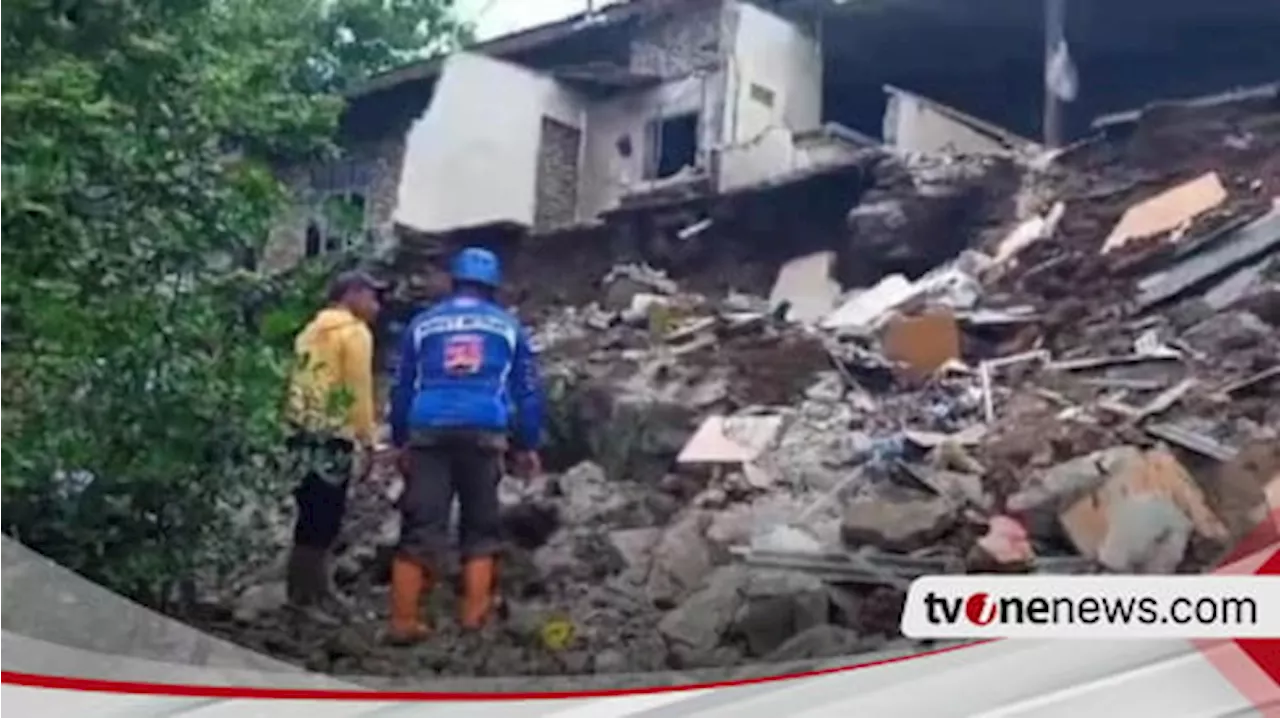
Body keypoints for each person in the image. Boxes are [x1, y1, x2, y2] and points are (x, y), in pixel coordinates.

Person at [386, 246, 544, 644]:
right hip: (483, 431)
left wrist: (400, 440)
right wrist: (526, 444)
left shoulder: (422, 325)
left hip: (427, 430)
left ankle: (403, 620)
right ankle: (473, 614)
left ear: (453, 282)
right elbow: (526, 391)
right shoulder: (507, 326)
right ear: (492, 287)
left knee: (420, 524)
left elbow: (402, 388)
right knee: (480, 524)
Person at [283, 269, 385, 625]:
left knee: (309, 512)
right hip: (331, 434)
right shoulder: (354, 332)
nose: (376, 306)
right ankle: (304, 599)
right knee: (325, 517)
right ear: (352, 294)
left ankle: (314, 589)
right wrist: (369, 441)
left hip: (300, 431)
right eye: (372, 297)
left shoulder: (309, 331)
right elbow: (358, 390)